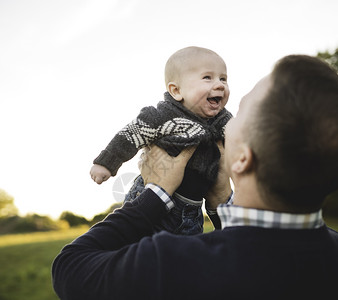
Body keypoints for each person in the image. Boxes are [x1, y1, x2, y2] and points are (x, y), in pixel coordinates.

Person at [53, 55, 338, 299]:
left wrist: (156, 193)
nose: (225, 119)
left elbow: (70, 267)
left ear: (243, 158)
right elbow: (248, 252)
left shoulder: (169, 262)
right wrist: (220, 201)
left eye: (241, 111)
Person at [90, 46, 232, 234]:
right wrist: (106, 163)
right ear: (176, 91)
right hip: (151, 197)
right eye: (207, 78)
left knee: (184, 255)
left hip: (192, 209)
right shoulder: (163, 115)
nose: (220, 84)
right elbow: (130, 135)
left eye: (223, 79)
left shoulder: (222, 120)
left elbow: (244, 140)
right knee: (141, 249)